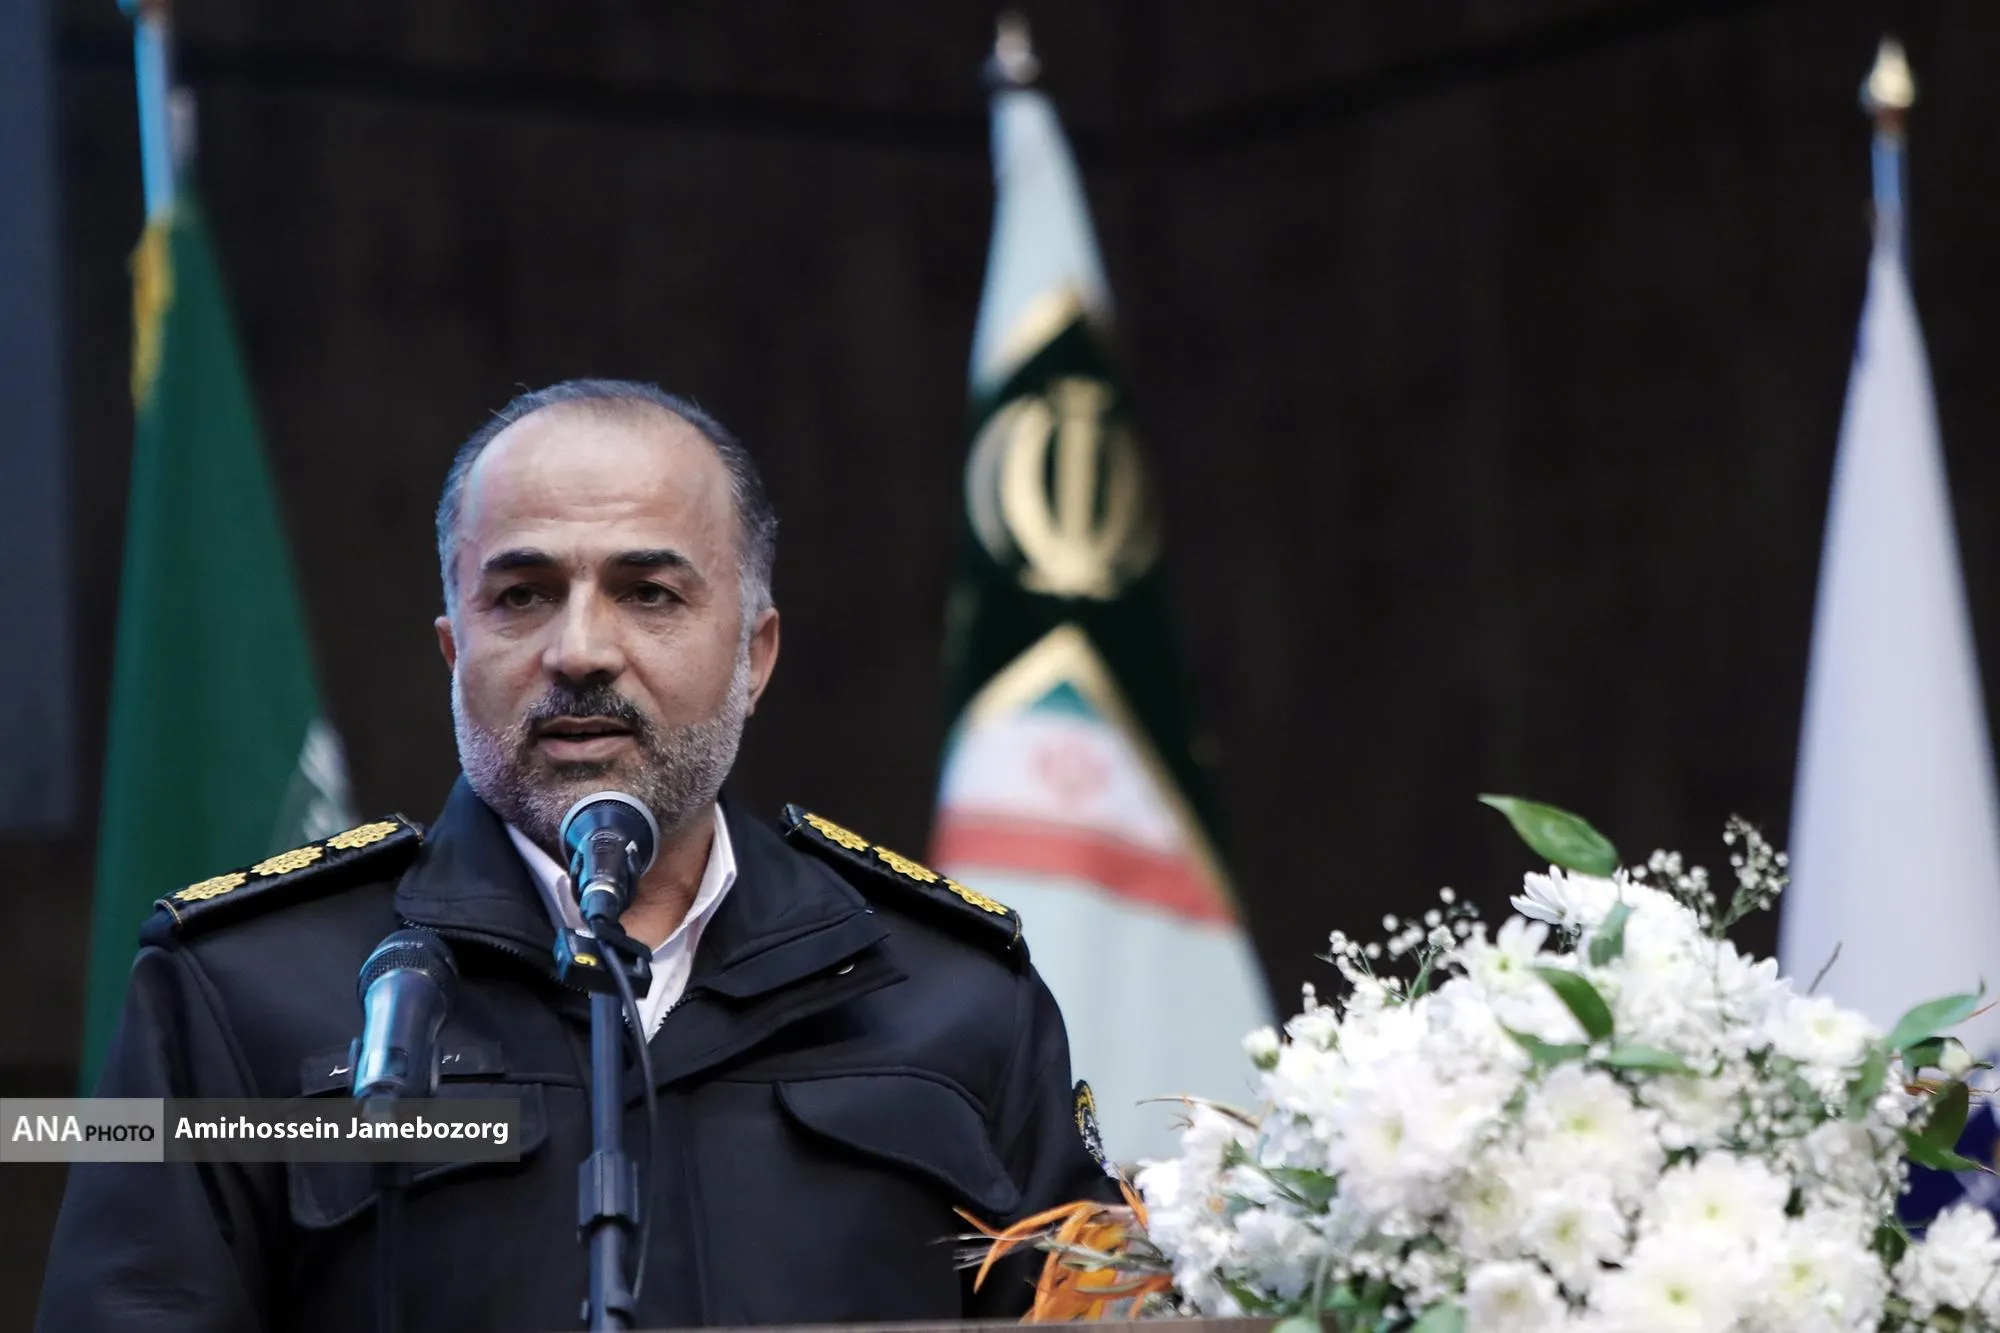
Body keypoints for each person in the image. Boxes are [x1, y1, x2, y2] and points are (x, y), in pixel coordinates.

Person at [37, 379, 1117, 1332]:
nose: (582, 650)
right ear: (454, 650)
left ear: (754, 655)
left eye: (649, 593)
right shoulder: (233, 992)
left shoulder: (954, 997)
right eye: (522, 595)